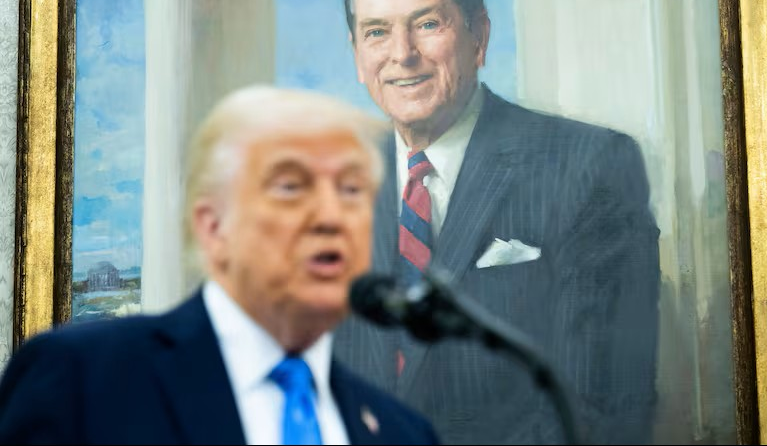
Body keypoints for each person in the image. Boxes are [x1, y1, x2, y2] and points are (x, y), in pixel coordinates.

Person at [333, 0, 660, 445]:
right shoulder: (329, 189)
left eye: (428, 24)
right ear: (356, 53)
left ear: (479, 36)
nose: (402, 54)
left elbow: (598, 409)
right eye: (377, 32)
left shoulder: (589, 167)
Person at [0, 86, 440, 446]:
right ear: (213, 227)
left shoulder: (403, 433)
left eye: (351, 190)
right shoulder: (84, 381)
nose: (331, 216)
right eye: (291, 186)